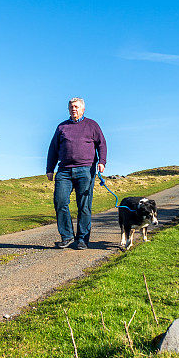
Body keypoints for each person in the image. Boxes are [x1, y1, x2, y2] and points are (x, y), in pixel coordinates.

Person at [46, 97, 107, 249]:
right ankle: (67, 236)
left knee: (84, 206)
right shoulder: (62, 127)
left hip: (86, 170)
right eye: (71, 107)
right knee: (60, 202)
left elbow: (102, 144)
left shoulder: (92, 125)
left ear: (83, 109)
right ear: (68, 109)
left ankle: (82, 239)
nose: (74, 109)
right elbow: (53, 149)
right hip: (64, 171)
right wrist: (49, 169)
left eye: (77, 107)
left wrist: (102, 161)